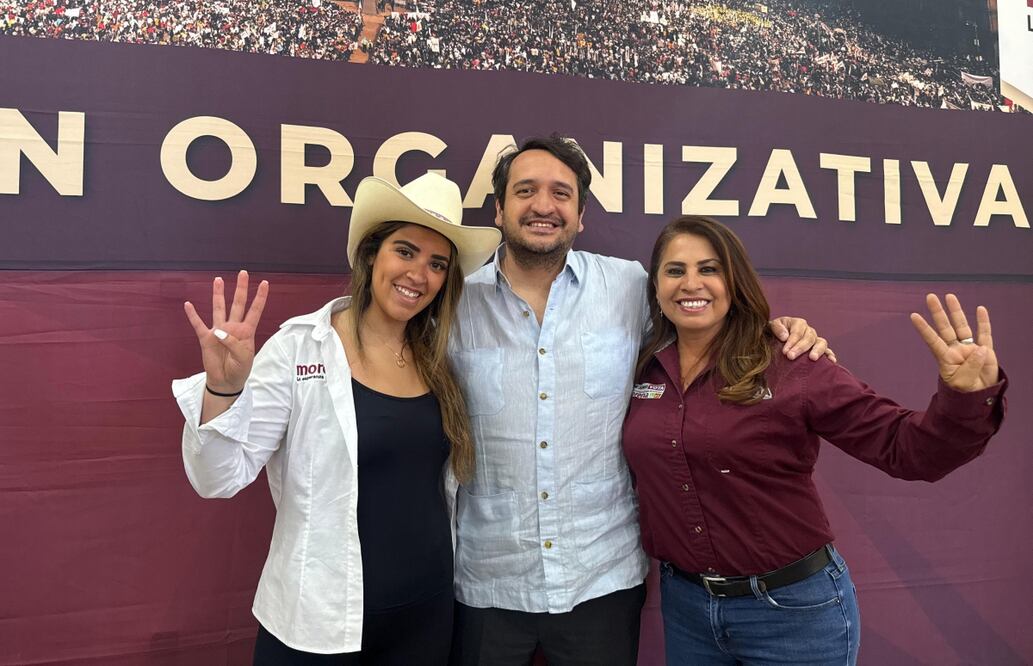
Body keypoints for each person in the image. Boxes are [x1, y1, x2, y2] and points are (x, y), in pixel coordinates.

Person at [447, 136, 830, 666]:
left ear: (581, 215)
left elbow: (704, 314)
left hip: (601, 579)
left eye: (562, 193)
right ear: (499, 208)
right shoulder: (455, 305)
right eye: (525, 190)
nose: (542, 205)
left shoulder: (629, 286)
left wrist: (780, 331)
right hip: (488, 581)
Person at [621, 215, 1007, 665]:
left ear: (735, 281)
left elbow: (907, 450)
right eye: (675, 270)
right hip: (686, 607)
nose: (691, 283)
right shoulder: (642, 368)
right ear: (656, 287)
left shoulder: (792, 363)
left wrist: (964, 397)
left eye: (709, 269)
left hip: (791, 613)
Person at [171, 173, 501, 663]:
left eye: (437, 264)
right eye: (405, 251)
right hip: (319, 624)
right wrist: (224, 388)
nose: (419, 274)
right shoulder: (300, 347)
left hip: (425, 618)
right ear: (371, 254)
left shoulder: (441, 360)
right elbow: (216, 477)